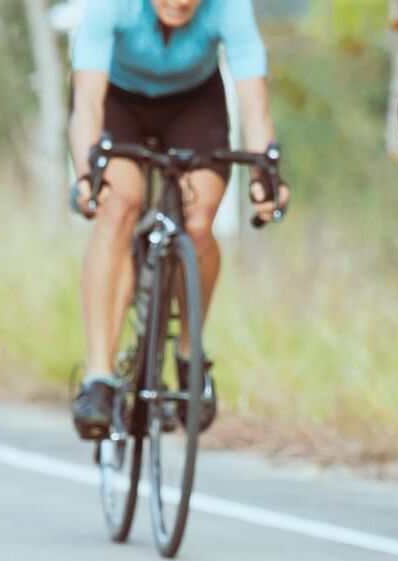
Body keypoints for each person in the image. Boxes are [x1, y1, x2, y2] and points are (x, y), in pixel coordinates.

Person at [67, 0, 287, 439]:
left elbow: (254, 103)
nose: (181, 2)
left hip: (193, 103)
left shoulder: (230, 7)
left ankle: (190, 354)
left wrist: (265, 176)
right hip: (118, 101)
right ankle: (98, 378)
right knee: (118, 206)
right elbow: (87, 101)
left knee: (199, 222)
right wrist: (87, 174)